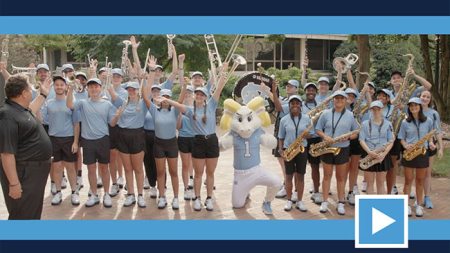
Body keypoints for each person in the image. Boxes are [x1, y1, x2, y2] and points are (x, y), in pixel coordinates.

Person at [0, 74, 52, 219]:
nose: (31, 91)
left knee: (31, 213)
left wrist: (43, 94)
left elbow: (32, 109)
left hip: (32, 174)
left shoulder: (20, 109)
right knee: (22, 215)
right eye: (29, 88)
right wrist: (14, 184)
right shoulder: (7, 116)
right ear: (23, 93)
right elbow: (6, 154)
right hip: (24, 174)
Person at [181, 63, 228, 211]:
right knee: (198, 173)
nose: (199, 96)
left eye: (202, 94)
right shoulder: (190, 108)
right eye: (198, 94)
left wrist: (223, 71)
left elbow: (218, 87)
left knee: (210, 172)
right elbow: (177, 105)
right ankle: (197, 197)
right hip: (197, 140)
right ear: (195, 95)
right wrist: (165, 100)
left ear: (206, 96)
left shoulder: (212, 104)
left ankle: (208, 198)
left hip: (212, 140)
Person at [67, 78, 121, 208]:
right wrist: (70, 90)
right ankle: (94, 195)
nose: (93, 89)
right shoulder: (82, 103)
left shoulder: (107, 104)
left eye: (96, 87)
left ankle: (107, 194)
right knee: (91, 169)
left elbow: (112, 123)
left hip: (103, 140)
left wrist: (117, 115)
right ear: (88, 89)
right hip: (88, 141)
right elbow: (69, 105)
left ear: (100, 88)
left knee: (104, 168)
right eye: (91, 87)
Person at [142, 56, 187, 210]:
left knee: (174, 172)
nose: (165, 100)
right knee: (160, 172)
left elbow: (181, 100)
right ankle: (162, 197)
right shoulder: (154, 111)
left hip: (172, 144)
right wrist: (152, 71)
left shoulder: (174, 111)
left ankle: (175, 198)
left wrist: (183, 85)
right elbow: (146, 94)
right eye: (163, 97)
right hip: (159, 144)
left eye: (167, 97)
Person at [315, 90, 359, 215]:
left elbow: (355, 133)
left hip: (343, 148)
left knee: (341, 177)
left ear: (346, 101)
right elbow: (317, 129)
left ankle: (340, 202)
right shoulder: (325, 113)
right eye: (337, 98)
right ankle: (324, 201)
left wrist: (349, 137)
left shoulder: (350, 115)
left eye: (342, 98)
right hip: (328, 147)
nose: (339, 100)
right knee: (327, 176)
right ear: (333, 100)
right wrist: (325, 136)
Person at [42, 76, 80, 206]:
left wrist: (75, 142)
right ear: (54, 87)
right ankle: (58, 192)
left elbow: (76, 124)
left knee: (70, 167)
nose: (59, 87)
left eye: (61, 85)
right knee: (57, 167)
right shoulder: (49, 103)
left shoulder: (71, 101)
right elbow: (42, 120)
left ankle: (74, 192)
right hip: (54, 139)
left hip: (68, 139)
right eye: (56, 85)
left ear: (65, 87)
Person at [110, 81, 148, 208]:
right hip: (122, 135)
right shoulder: (122, 103)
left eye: (134, 89)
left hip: (137, 135)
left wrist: (152, 71)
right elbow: (110, 90)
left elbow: (147, 89)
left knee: (138, 168)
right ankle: (131, 194)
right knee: (127, 168)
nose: (131, 92)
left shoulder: (143, 103)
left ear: (138, 90)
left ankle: (141, 195)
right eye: (129, 89)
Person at [398, 97, 435, 217]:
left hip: (423, 153)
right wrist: (406, 145)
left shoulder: (428, 120)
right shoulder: (405, 122)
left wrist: (430, 142)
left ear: (420, 107)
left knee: (420, 181)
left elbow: (430, 136)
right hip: (409, 153)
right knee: (408, 181)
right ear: (409, 108)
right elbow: (401, 138)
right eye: (411, 106)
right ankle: (407, 205)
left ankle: (419, 205)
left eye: (416, 105)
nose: (413, 107)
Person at [278, 95, 312, 212]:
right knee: (288, 176)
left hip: (302, 149)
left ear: (301, 105)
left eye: (297, 103)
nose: (295, 105)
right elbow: (281, 137)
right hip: (289, 149)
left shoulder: (307, 118)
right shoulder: (284, 120)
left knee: (301, 176)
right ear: (289, 105)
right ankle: (288, 200)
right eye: (293, 103)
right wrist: (280, 149)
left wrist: (308, 134)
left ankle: (299, 201)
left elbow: (311, 133)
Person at [272, 79, 300, 200]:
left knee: (288, 162)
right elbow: (276, 101)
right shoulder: (284, 99)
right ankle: (286, 183)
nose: (288, 87)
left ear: (297, 89)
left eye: (291, 86)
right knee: (281, 160)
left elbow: (277, 107)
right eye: (287, 85)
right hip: (279, 130)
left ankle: (290, 187)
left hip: (289, 134)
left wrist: (273, 91)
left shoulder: (295, 101)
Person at [359, 101, 394, 194]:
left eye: (378, 109)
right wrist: (369, 152)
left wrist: (383, 155)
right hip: (368, 154)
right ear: (370, 110)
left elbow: (391, 141)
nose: (376, 111)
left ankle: (380, 206)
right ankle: (370, 207)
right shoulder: (365, 124)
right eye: (373, 109)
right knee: (369, 183)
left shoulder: (388, 124)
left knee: (381, 183)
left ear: (382, 110)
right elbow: (361, 140)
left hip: (382, 155)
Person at [418, 90, 443, 209]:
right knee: (416, 173)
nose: (425, 98)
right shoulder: (414, 110)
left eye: (427, 97)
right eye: (423, 96)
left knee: (427, 173)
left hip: (430, 146)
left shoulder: (434, 114)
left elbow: (437, 132)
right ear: (420, 97)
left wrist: (440, 148)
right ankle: (418, 195)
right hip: (416, 147)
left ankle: (427, 197)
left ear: (430, 100)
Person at [106, 68, 127, 195]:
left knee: (123, 155)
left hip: (122, 126)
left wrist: (111, 91)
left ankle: (121, 177)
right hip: (110, 126)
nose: (116, 78)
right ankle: (114, 183)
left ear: (122, 79)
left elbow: (122, 105)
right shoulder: (104, 90)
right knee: (112, 156)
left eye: (118, 76)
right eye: (114, 76)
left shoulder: (125, 92)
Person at [301, 82, 323, 204]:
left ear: (316, 92)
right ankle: (297, 192)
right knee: (299, 167)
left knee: (315, 167)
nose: (310, 92)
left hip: (315, 139)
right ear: (305, 91)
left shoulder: (320, 106)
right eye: (308, 90)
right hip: (303, 139)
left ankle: (316, 191)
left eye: (313, 90)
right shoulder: (300, 106)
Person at [177, 84, 195, 201]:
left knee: (194, 163)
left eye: (189, 93)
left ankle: (192, 181)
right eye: (186, 93)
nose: (187, 95)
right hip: (183, 138)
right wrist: (179, 115)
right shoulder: (180, 109)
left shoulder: (197, 108)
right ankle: (186, 188)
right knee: (185, 164)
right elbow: (178, 127)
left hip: (194, 139)